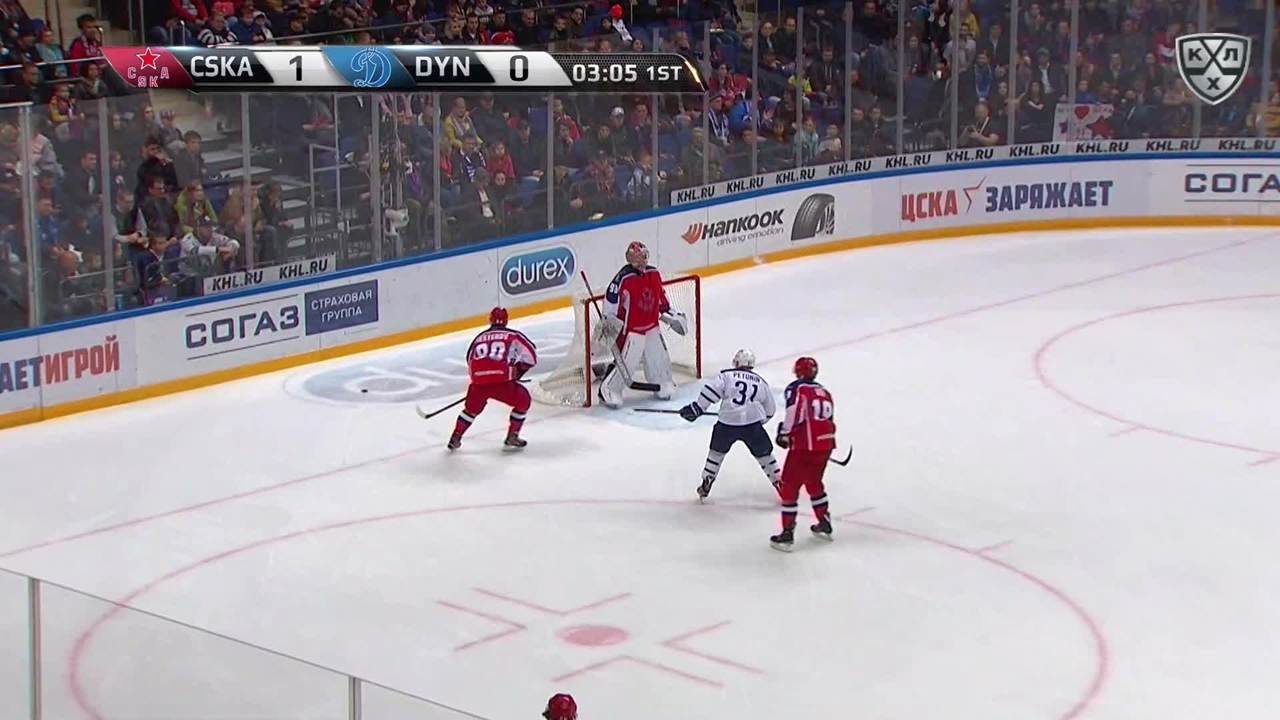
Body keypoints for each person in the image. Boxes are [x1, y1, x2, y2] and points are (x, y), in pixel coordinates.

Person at [679, 349, 783, 502]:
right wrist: (759, 422)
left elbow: (711, 391)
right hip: (752, 425)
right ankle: (778, 481)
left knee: (716, 453)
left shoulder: (726, 375)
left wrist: (698, 408)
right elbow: (770, 410)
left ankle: (708, 479)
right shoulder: (761, 382)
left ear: (736, 362)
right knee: (765, 454)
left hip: (727, 424)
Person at [597, 242, 688, 408]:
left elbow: (661, 299)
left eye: (643, 257)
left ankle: (662, 381)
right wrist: (608, 322)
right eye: (636, 258)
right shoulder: (622, 278)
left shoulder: (654, 274)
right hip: (631, 330)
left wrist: (671, 315)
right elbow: (611, 302)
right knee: (628, 362)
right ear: (629, 258)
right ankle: (609, 389)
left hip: (652, 325)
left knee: (659, 357)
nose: (640, 261)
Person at [770, 356, 836, 552]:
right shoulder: (825, 392)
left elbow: (795, 411)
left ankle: (787, 534)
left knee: (789, 486)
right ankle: (824, 522)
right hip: (826, 443)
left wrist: (785, 433)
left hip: (805, 445)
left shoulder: (797, 388)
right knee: (814, 482)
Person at [449, 307, 537, 451]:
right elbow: (531, 356)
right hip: (502, 382)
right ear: (506, 321)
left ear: (490, 320)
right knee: (523, 401)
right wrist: (517, 372)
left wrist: (482, 377)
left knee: (471, 410)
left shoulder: (479, 338)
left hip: (478, 383)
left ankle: (456, 437)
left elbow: (469, 359)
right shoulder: (514, 336)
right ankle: (513, 435)